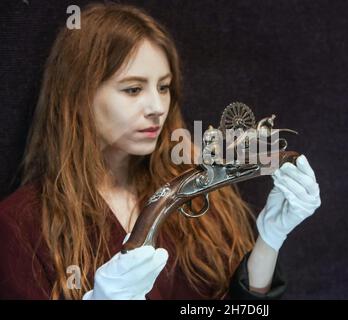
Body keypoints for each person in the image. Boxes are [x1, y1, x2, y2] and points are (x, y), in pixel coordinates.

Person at [0, 3, 321, 300]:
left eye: (164, 87)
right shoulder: (19, 225)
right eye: (133, 89)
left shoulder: (199, 190)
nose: (156, 107)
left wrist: (269, 243)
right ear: (79, 95)